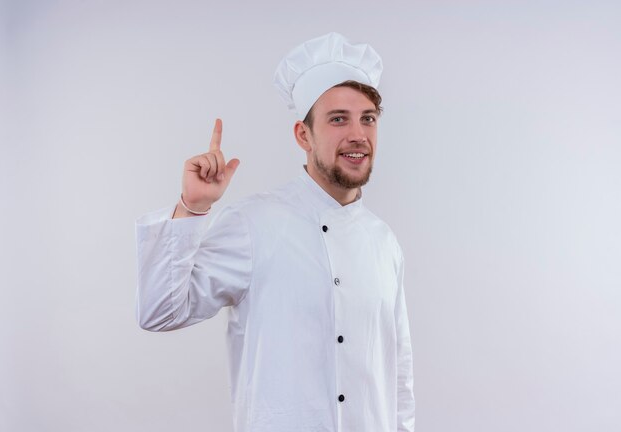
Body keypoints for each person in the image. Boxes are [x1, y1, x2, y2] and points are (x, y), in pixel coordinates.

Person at [136, 32, 415, 432]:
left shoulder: (384, 241)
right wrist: (193, 207)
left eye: (368, 118)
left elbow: (399, 375)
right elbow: (159, 311)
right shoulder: (253, 224)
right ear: (303, 135)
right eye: (338, 119)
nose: (358, 135)